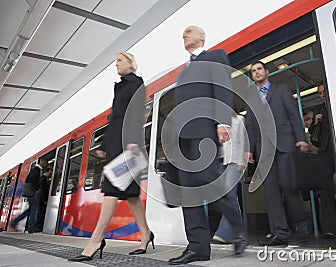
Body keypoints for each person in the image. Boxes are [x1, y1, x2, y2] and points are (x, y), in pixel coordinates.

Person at [167, 25, 246, 265]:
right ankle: (198, 247)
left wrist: (223, 122)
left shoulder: (215, 55)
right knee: (188, 194)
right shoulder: (183, 70)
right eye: (183, 33)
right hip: (182, 137)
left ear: (202, 36)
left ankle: (238, 227)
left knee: (209, 183)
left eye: (189, 31)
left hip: (203, 131)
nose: (184, 35)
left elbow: (222, 87)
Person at [69, 52, 152, 262]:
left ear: (131, 63)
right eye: (116, 61)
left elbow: (136, 112)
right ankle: (146, 234)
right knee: (131, 194)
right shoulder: (120, 85)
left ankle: (96, 240)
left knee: (111, 189)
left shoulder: (136, 83)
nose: (116, 64)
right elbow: (115, 117)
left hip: (126, 142)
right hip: (116, 141)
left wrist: (132, 139)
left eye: (120, 61)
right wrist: (105, 145)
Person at [245, 61, 311, 246]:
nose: (257, 72)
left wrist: (301, 138)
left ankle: (302, 225)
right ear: (252, 76)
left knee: (288, 186)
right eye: (253, 71)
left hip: (284, 145)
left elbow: (293, 115)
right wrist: (249, 149)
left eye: (259, 69)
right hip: (264, 151)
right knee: (272, 192)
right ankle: (280, 233)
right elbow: (250, 126)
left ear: (266, 72)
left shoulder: (281, 90)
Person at [308, 84, 336, 236]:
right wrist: (316, 122)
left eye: (324, 92)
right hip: (325, 151)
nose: (322, 95)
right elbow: (313, 135)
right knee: (326, 188)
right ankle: (332, 227)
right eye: (320, 93)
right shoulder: (318, 111)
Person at [212, 113, 247, 244]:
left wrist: (242, 163)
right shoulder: (218, 121)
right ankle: (236, 231)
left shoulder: (239, 120)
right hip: (222, 162)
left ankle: (225, 233)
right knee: (226, 197)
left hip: (235, 161)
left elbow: (244, 140)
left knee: (229, 196)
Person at [10, 158, 48, 233]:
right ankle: (31, 229)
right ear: (42, 162)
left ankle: (14, 222)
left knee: (29, 210)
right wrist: (37, 189)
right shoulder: (36, 170)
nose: (46, 165)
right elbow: (31, 181)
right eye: (46, 163)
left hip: (31, 192)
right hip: (33, 192)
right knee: (34, 211)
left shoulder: (35, 170)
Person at [35, 168, 52, 232]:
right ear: (46, 172)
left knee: (39, 213)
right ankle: (38, 227)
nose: (50, 175)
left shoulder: (41, 178)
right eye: (50, 173)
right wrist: (44, 200)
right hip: (41, 199)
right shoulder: (43, 179)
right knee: (41, 213)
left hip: (39, 198)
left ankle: (37, 227)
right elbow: (42, 190)